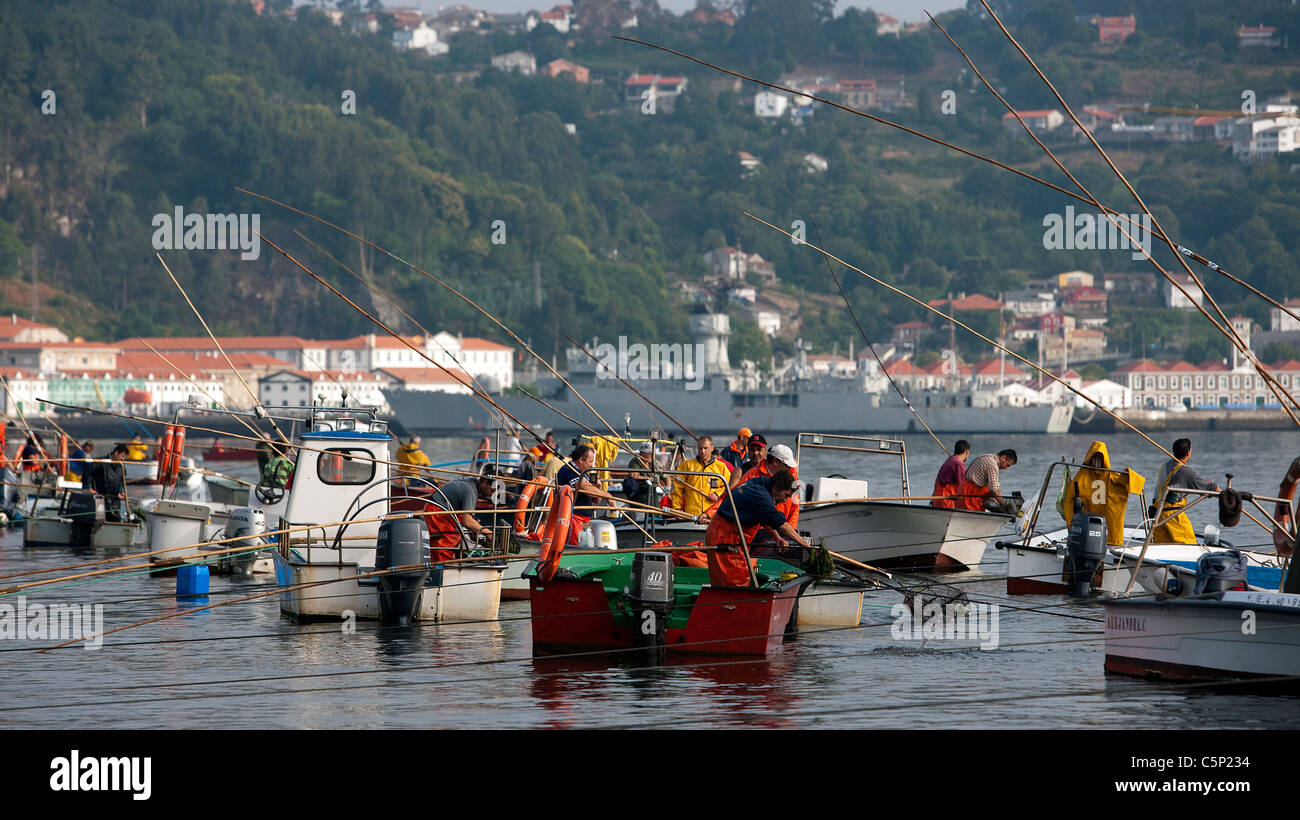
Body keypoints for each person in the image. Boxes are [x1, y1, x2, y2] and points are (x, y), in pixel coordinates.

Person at [704, 471, 812, 587]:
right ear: (778, 486)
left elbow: (764, 516)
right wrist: (806, 545)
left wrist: (777, 537)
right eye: (786, 495)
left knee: (729, 579)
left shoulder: (762, 483)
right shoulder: (760, 495)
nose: (785, 501)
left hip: (729, 534)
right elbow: (781, 524)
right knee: (736, 580)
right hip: (725, 536)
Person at [1061, 441, 1146, 546]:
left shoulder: (1082, 476)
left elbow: (1067, 501)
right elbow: (1138, 483)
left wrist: (1071, 526)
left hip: (1089, 528)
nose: (1097, 462)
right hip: (1103, 530)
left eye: (1099, 458)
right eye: (1095, 457)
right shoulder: (1110, 476)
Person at [1152, 438, 1219, 544]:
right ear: (1188, 452)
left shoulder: (1165, 465)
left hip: (1157, 513)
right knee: (1189, 545)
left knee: (1164, 547)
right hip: (1172, 514)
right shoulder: (1185, 471)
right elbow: (1212, 488)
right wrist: (1226, 495)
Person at [718, 443, 800, 528]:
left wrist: (791, 531)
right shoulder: (752, 475)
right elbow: (732, 497)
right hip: (758, 529)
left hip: (783, 527)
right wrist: (709, 514)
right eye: (787, 466)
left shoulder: (792, 478)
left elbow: (795, 508)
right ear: (776, 462)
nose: (789, 469)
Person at [425, 466, 497, 562]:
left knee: (458, 536)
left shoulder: (472, 482)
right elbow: (467, 521)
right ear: (484, 482)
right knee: (447, 540)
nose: (492, 494)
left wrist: (475, 524)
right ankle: (442, 568)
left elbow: (466, 516)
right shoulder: (470, 491)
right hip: (437, 512)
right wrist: (488, 533)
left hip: (446, 511)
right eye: (492, 490)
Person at [555, 444, 622, 545]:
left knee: (585, 545)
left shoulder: (584, 473)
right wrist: (607, 495)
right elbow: (583, 487)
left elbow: (596, 500)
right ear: (581, 459)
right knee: (575, 547)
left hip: (585, 520)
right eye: (590, 462)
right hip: (573, 518)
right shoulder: (569, 470)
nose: (591, 465)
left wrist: (597, 488)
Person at [670, 436, 733, 517]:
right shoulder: (686, 466)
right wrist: (677, 509)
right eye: (700, 448)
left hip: (713, 515)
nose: (703, 451)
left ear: (712, 448)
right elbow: (677, 490)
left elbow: (729, 486)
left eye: (705, 448)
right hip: (691, 515)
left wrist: (717, 493)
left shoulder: (721, 467)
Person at [87, 444, 129, 522]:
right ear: (116, 453)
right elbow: (88, 473)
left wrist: (121, 491)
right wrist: (89, 488)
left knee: (116, 521)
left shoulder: (121, 467)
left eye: (124, 457)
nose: (123, 459)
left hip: (115, 502)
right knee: (99, 521)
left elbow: (121, 482)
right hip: (100, 499)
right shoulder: (100, 462)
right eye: (122, 456)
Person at [931, 440, 970, 509]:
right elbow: (963, 485)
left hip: (937, 499)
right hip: (946, 502)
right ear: (966, 452)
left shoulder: (950, 460)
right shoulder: (958, 464)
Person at [621, 443, 657, 507]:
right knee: (640, 510)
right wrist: (648, 478)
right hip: (638, 490)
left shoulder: (654, 462)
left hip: (652, 489)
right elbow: (634, 475)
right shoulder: (635, 461)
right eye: (645, 453)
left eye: (649, 453)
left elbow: (665, 475)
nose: (648, 455)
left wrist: (667, 487)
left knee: (655, 507)